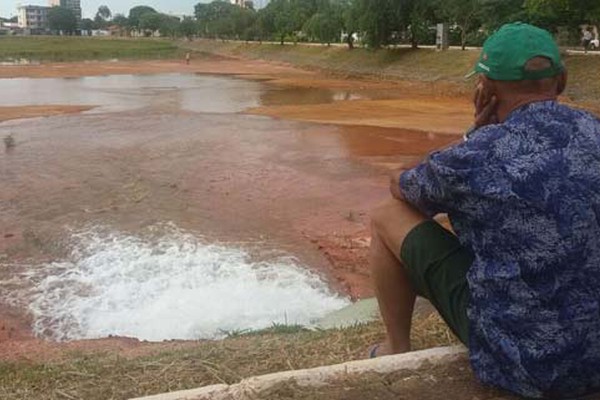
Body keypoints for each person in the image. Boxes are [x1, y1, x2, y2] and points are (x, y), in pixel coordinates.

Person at [369, 22, 600, 399]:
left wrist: (472, 134)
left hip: (523, 364)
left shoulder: (476, 156)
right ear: (561, 80)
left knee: (385, 216)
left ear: (485, 90)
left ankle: (396, 347)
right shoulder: (593, 130)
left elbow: (402, 187)